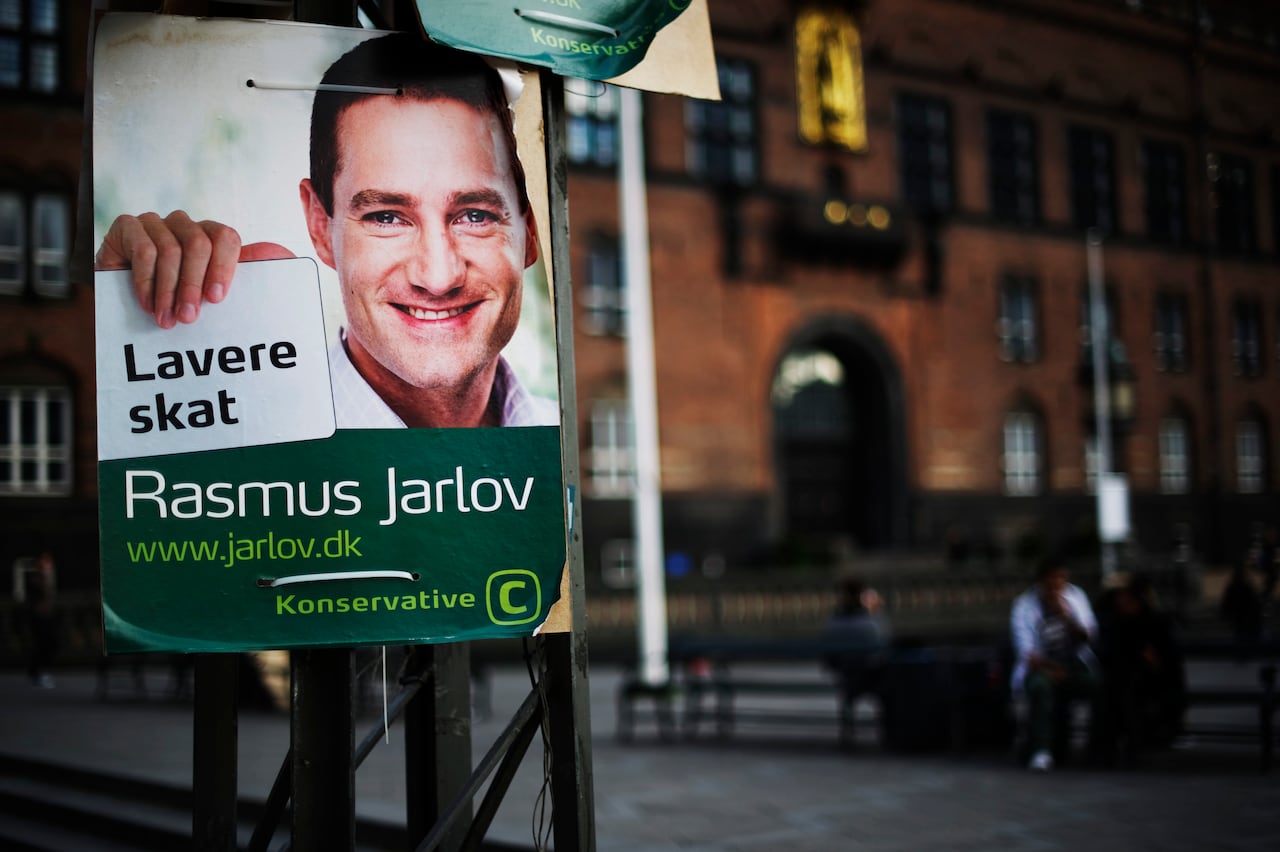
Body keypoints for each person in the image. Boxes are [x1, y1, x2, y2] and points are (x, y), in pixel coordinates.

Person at [95, 32, 557, 430]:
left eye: (474, 215)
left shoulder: (562, 442)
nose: (438, 277)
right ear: (320, 226)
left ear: (529, 231)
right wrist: (123, 332)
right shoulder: (233, 435)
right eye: (386, 217)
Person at [1009, 556, 1101, 771]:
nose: (1056, 585)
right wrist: (1051, 669)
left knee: (1097, 685)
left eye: (1061, 579)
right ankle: (1041, 750)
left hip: (1074, 662)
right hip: (1041, 666)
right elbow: (1026, 651)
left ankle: (1098, 746)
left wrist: (1065, 616)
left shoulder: (1075, 597)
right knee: (1040, 688)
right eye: (1051, 580)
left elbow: (1089, 635)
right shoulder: (1024, 606)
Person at [1096, 573, 1186, 763]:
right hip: (1124, 677)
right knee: (1115, 687)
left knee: (1125, 689)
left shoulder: (1156, 620)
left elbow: (1167, 660)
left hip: (1155, 680)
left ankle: (1128, 745)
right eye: (1120, 597)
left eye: (1127, 598)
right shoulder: (1115, 620)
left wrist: (1150, 658)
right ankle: (1114, 746)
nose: (1122, 602)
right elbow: (1110, 651)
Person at [822, 576, 890, 746]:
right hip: (870, 674)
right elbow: (884, 644)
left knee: (848, 695)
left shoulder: (835, 621)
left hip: (847, 675)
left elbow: (829, 656)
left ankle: (848, 729)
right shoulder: (870, 622)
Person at [21, 553, 59, 688]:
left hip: (46, 617)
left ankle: (39, 671)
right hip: (38, 618)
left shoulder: (45, 578)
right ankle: (38, 672)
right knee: (41, 645)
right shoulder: (35, 579)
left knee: (48, 644)